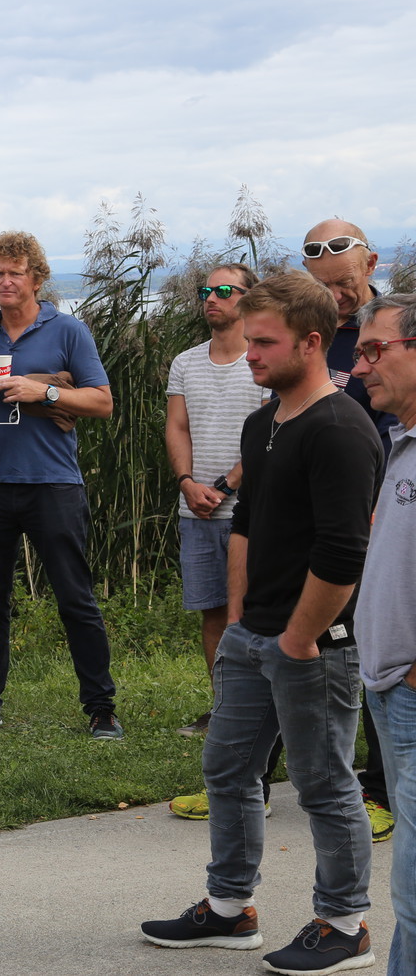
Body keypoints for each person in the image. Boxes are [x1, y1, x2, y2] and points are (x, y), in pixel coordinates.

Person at [142, 271, 382, 974]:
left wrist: (299, 637)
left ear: (312, 342)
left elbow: (344, 552)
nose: (250, 354)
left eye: (264, 342)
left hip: (314, 644)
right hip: (256, 636)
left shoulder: (340, 429)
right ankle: (229, 910)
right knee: (227, 767)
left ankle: (344, 925)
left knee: (324, 785)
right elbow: (247, 525)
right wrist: (243, 619)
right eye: (248, 340)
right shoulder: (263, 420)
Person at [0, 231, 119, 738]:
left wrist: (45, 392)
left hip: (54, 484)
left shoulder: (68, 330)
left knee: (74, 597)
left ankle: (101, 707)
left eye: (16, 272)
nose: (6, 281)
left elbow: (102, 402)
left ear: (36, 278)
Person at [303, 218, 398, 844]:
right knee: (329, 641)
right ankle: (339, 777)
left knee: (382, 643)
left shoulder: (391, 332)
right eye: (324, 284)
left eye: (344, 282)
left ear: (369, 265)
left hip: (389, 507)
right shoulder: (312, 338)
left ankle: (384, 786)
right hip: (324, 511)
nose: (338, 296)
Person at [164, 264, 266, 737]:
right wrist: (187, 482)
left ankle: (269, 710)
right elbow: (177, 427)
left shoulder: (264, 360)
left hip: (253, 509)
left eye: (225, 290)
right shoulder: (185, 362)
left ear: (249, 297)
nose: (212, 298)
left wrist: (227, 485)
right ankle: (224, 709)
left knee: (258, 610)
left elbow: (273, 431)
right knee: (213, 611)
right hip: (197, 507)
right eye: (206, 290)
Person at [349, 291, 416, 976]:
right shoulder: (398, 443)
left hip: (410, 692)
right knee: (409, 895)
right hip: (390, 692)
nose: (362, 366)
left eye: (376, 351)